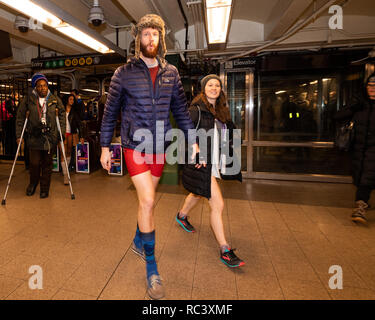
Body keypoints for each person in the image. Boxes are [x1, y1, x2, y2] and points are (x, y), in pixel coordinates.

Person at [100, 14, 198, 300]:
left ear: (161, 39)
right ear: (138, 39)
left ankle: (137, 238)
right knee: (148, 201)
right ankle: (152, 269)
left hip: (160, 145)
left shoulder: (172, 74)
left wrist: (192, 141)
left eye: (156, 33)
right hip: (134, 145)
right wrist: (106, 146)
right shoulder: (123, 73)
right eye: (146, 34)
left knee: (147, 202)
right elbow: (110, 112)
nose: (151, 38)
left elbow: (180, 110)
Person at [178, 74, 245, 268]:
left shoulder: (220, 111)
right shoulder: (196, 109)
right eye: (210, 85)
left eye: (217, 85)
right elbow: (185, 131)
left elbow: (226, 133)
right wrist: (196, 150)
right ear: (203, 88)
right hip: (202, 162)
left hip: (215, 162)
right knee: (218, 204)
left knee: (198, 193)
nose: (214, 88)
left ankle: (181, 216)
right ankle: (225, 250)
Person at [16, 73, 65, 199]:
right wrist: (19, 135)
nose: (43, 88)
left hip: (49, 137)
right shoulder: (28, 100)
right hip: (34, 137)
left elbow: (62, 116)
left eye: (44, 85)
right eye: (40, 86)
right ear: (35, 88)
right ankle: (33, 183)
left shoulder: (54, 99)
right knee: (34, 163)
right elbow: (20, 118)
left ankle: (44, 188)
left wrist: (61, 134)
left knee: (47, 165)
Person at [334, 73, 375, 224]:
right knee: (360, 178)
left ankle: (360, 207)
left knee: (367, 177)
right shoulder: (359, 103)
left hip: (373, 149)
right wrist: (353, 108)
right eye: (370, 85)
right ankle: (363, 200)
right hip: (358, 149)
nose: (372, 88)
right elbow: (337, 116)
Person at [59, 94, 84, 185]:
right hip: (62, 134)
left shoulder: (74, 112)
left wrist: (81, 136)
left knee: (69, 152)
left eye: (73, 100)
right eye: (70, 99)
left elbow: (79, 124)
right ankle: (66, 175)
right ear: (66, 100)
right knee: (63, 153)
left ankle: (66, 169)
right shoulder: (61, 111)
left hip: (70, 134)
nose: (72, 101)